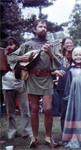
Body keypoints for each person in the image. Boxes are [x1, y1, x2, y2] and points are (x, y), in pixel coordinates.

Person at [8, 20, 61, 148]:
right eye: (40, 26)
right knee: (34, 109)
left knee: (48, 109)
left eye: (45, 27)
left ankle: (49, 138)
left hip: (47, 78)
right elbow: (11, 57)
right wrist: (21, 58)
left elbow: (58, 62)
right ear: (34, 29)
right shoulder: (27, 44)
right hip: (32, 78)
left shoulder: (52, 44)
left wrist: (49, 53)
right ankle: (35, 138)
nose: (43, 29)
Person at [2, 37, 32, 140]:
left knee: (25, 110)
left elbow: (27, 69)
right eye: (7, 45)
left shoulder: (21, 55)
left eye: (11, 44)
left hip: (21, 85)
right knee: (10, 111)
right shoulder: (2, 56)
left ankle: (27, 132)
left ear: (17, 46)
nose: (9, 47)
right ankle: (12, 132)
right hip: (6, 85)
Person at [55, 37, 74, 131]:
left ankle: (75, 131)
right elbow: (52, 68)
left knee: (74, 110)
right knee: (64, 110)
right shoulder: (59, 57)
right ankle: (64, 132)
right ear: (63, 45)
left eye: (71, 43)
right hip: (62, 86)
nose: (69, 45)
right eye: (67, 43)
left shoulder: (76, 55)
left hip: (74, 86)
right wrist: (56, 71)